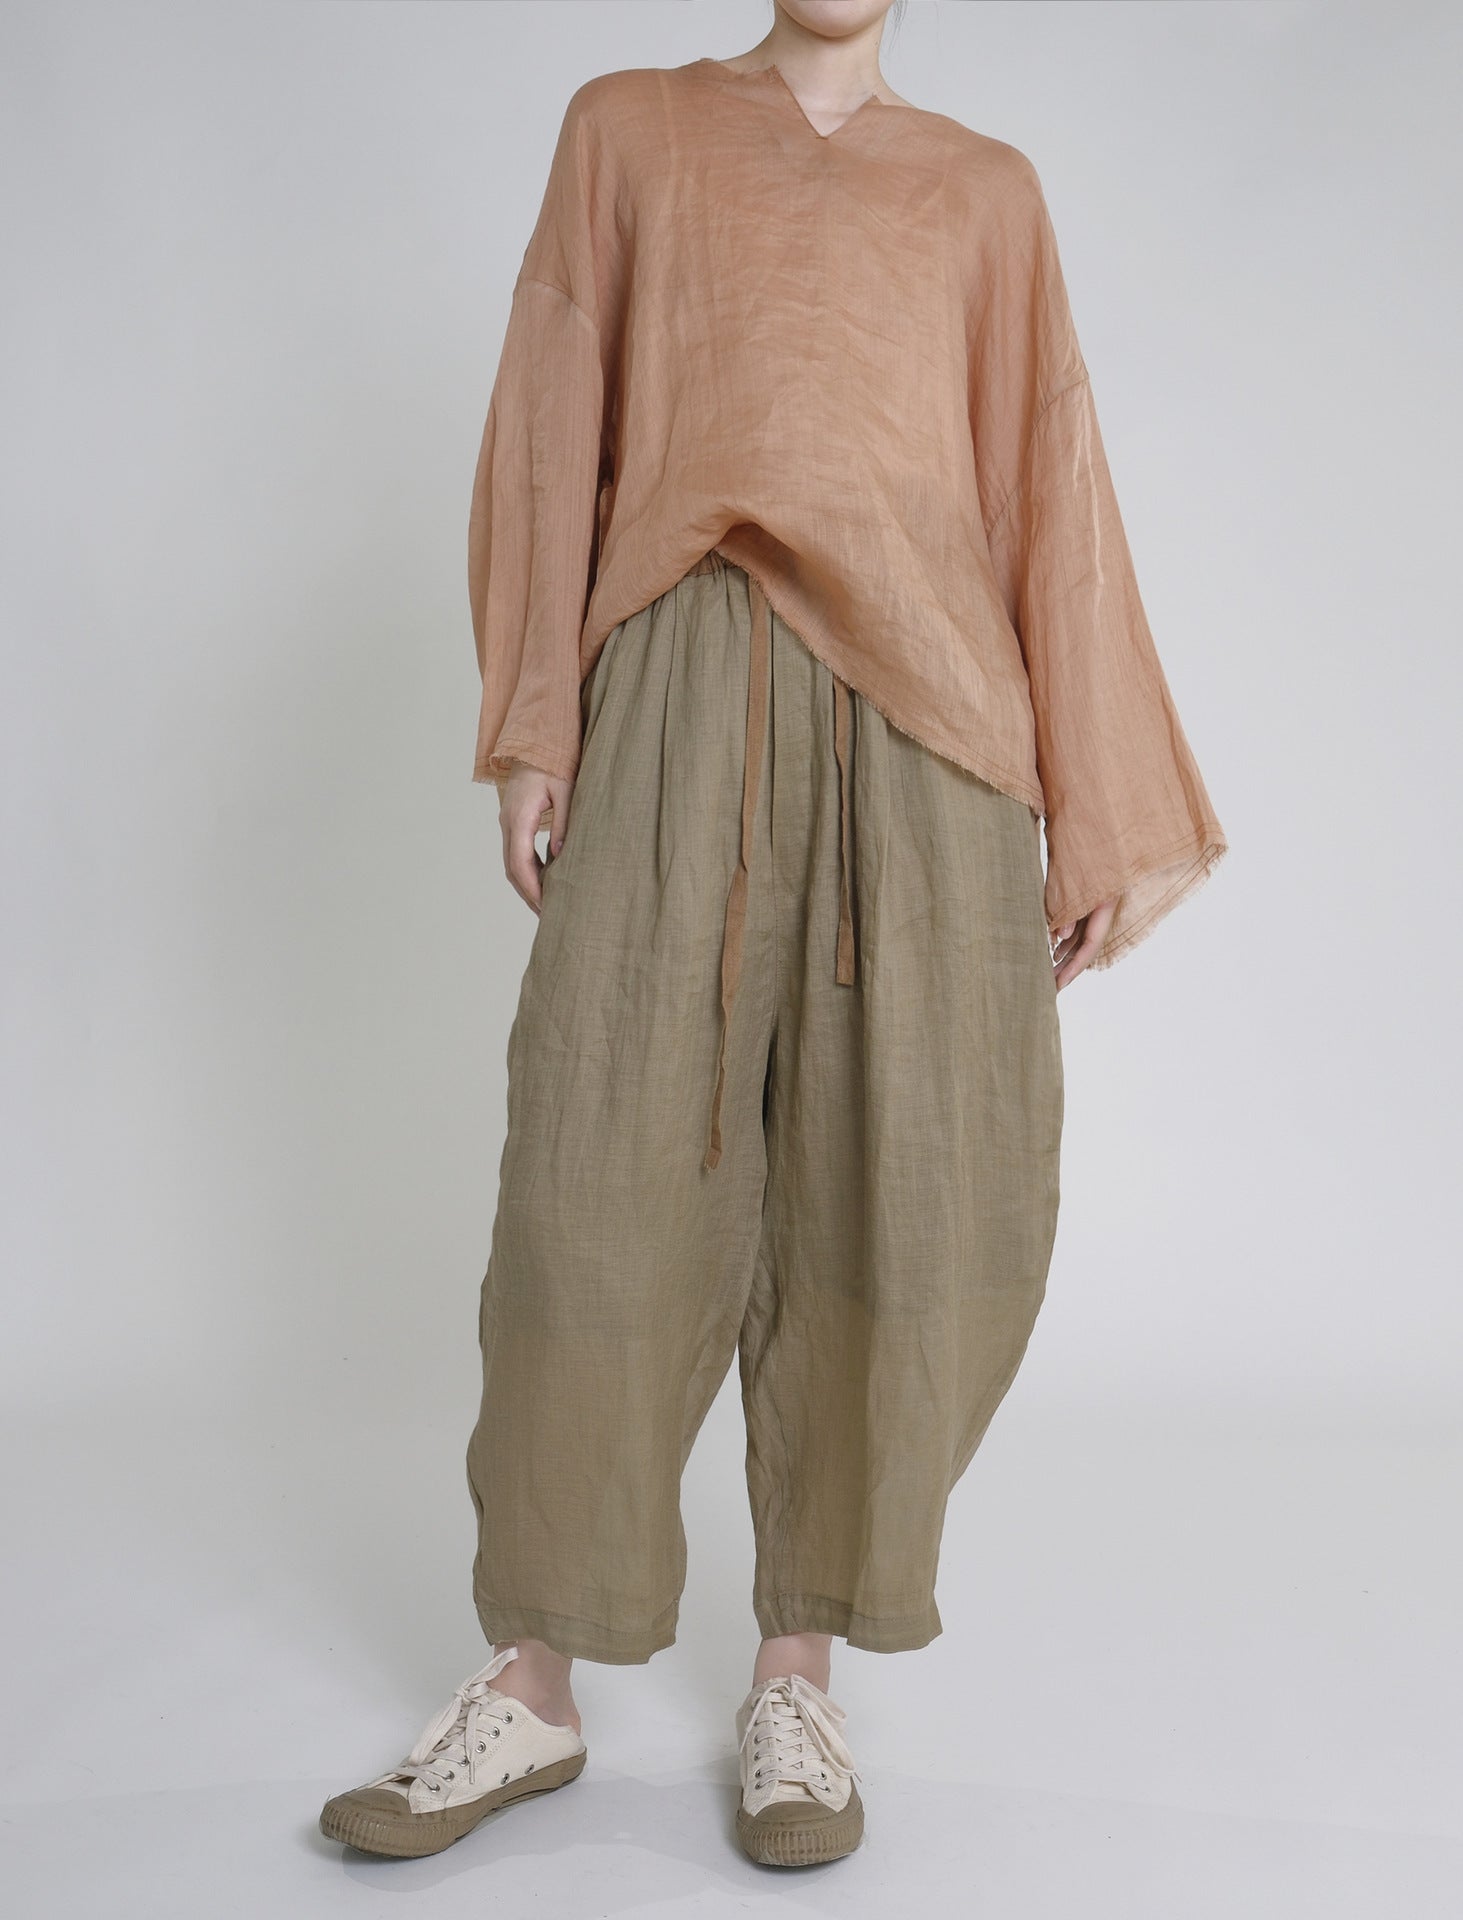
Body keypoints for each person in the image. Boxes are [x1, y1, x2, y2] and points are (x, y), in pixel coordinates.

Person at [320, 0, 1228, 1871]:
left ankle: (796, 1674)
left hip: (934, 734)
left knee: (899, 1196)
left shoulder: (986, 193)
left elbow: (1046, 482)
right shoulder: (629, 129)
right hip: (677, 683)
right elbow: (553, 415)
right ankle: (537, 1684)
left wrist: (1092, 805)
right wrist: (538, 720)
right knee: (592, 1188)